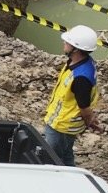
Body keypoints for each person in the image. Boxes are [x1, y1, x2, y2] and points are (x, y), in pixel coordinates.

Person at [43, 25, 101, 165]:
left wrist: (90, 121)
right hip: (62, 122)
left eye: (68, 42)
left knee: (51, 159)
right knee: (65, 154)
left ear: (76, 48)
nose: (64, 43)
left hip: (62, 126)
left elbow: (84, 107)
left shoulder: (81, 77)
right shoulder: (79, 62)